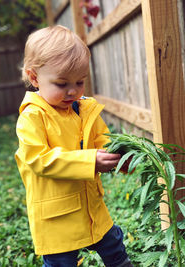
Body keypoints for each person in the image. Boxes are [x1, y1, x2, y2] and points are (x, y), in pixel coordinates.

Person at [15, 25, 133, 267]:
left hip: (90, 204)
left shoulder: (84, 108)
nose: (73, 91)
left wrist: (119, 157)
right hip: (56, 213)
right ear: (34, 77)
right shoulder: (33, 117)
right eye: (61, 84)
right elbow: (39, 159)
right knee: (62, 261)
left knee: (112, 244)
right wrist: (90, 161)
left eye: (80, 81)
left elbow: (103, 140)